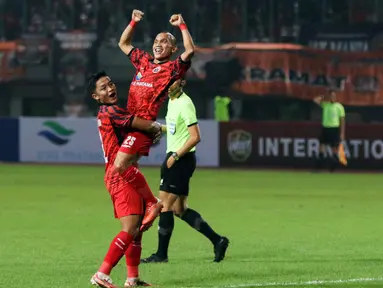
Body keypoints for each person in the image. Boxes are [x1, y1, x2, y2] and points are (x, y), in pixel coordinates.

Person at [114, 9, 195, 226]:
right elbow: (123, 43)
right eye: (157, 40)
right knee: (128, 168)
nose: (159, 43)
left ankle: (152, 203)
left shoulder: (173, 69)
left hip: (143, 125)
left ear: (172, 49)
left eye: (165, 41)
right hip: (127, 123)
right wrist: (133, 22)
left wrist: (182, 25)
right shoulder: (143, 61)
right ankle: (140, 209)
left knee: (119, 165)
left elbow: (190, 49)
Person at [141, 79, 230, 264]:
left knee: (164, 205)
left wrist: (175, 156)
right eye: (165, 82)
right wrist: (160, 128)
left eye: (171, 82)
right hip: (176, 158)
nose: (167, 85)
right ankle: (218, 241)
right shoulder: (172, 101)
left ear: (182, 82)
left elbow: (195, 136)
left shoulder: (185, 103)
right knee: (179, 209)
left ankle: (161, 255)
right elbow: (176, 129)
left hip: (180, 160)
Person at [88, 71, 163, 288]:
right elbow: (142, 124)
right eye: (103, 88)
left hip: (122, 171)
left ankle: (132, 278)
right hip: (119, 175)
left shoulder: (108, 112)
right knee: (130, 229)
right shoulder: (110, 111)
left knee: (137, 229)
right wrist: (155, 128)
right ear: (96, 97)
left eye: (110, 83)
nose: (110, 88)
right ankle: (102, 274)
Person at [313, 89, 346, 172]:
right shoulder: (325, 105)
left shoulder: (339, 107)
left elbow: (342, 120)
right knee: (321, 147)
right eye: (331, 96)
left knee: (334, 149)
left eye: (333, 96)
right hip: (326, 128)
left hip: (334, 129)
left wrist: (342, 133)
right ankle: (318, 168)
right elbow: (315, 100)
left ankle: (333, 168)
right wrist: (324, 96)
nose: (332, 97)